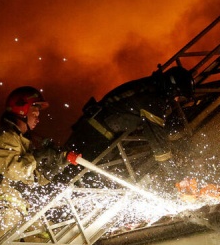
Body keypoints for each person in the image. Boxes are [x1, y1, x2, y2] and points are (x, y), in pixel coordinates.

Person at [0, 86, 78, 245]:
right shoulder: (4, 138)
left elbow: (35, 177)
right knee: (5, 243)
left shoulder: (24, 141)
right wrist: (39, 157)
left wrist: (57, 165)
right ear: (21, 111)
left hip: (20, 200)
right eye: (35, 111)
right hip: (2, 199)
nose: (38, 117)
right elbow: (15, 170)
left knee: (43, 238)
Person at [64, 66, 195, 168]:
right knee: (78, 174)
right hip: (95, 136)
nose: (177, 100)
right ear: (173, 89)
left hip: (92, 129)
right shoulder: (153, 99)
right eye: (178, 96)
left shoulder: (149, 88)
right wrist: (175, 175)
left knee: (69, 168)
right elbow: (157, 140)